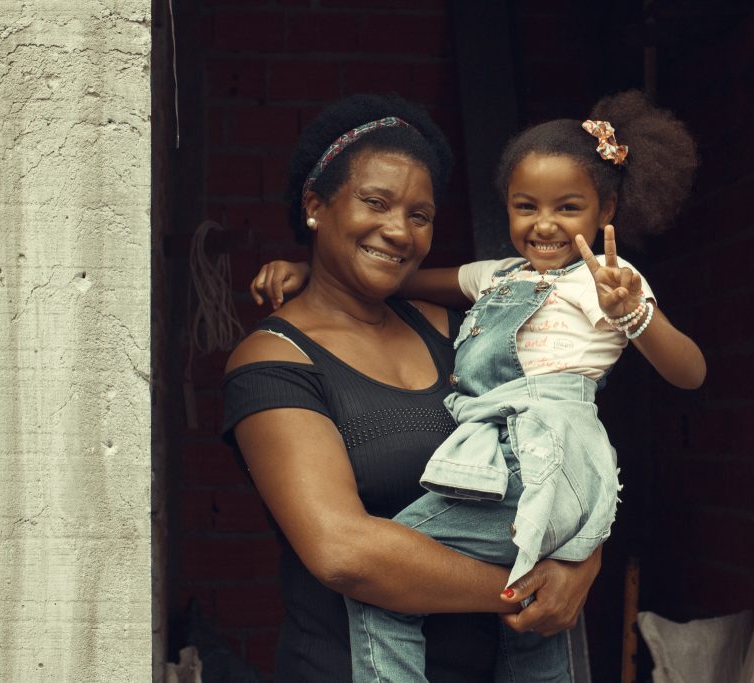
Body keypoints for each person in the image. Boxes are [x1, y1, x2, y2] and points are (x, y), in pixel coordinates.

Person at [250, 91, 705, 683]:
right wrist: (316, 269)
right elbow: (408, 281)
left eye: (568, 207)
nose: (545, 225)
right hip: (521, 466)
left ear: (606, 210)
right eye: (525, 206)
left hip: (547, 457)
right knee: (532, 634)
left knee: (393, 575)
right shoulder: (495, 279)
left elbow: (689, 372)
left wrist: (636, 316)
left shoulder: (610, 285)